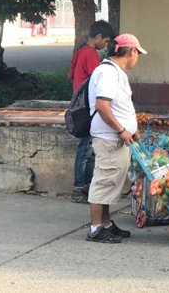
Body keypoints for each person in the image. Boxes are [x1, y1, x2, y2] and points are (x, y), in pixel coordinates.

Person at [86, 33, 147, 243]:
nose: (137, 58)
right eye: (138, 53)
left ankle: (106, 224)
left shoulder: (115, 72)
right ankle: (95, 228)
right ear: (131, 51)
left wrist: (133, 128)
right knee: (104, 182)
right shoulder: (108, 73)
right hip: (109, 138)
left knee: (112, 182)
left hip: (117, 138)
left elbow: (120, 106)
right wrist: (122, 129)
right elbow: (103, 106)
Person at [68, 20, 115, 204]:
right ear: (98, 37)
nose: (105, 45)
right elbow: (99, 82)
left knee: (86, 147)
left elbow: (72, 76)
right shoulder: (90, 54)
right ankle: (80, 187)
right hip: (87, 107)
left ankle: (84, 185)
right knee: (86, 149)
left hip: (80, 106)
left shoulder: (80, 52)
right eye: (105, 41)